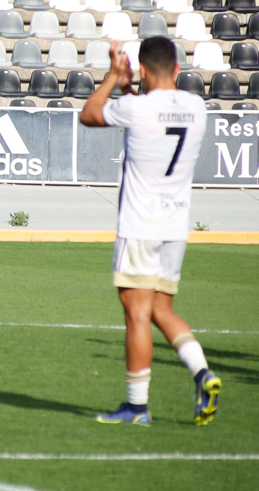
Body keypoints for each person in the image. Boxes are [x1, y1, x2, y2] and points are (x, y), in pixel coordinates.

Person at [80, 38, 220, 427]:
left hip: (141, 223)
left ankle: (137, 407)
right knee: (161, 308)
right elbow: (151, 111)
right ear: (177, 69)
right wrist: (129, 87)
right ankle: (202, 372)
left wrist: (112, 77)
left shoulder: (136, 107)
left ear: (143, 70)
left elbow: (90, 114)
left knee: (137, 313)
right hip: (176, 225)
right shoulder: (196, 106)